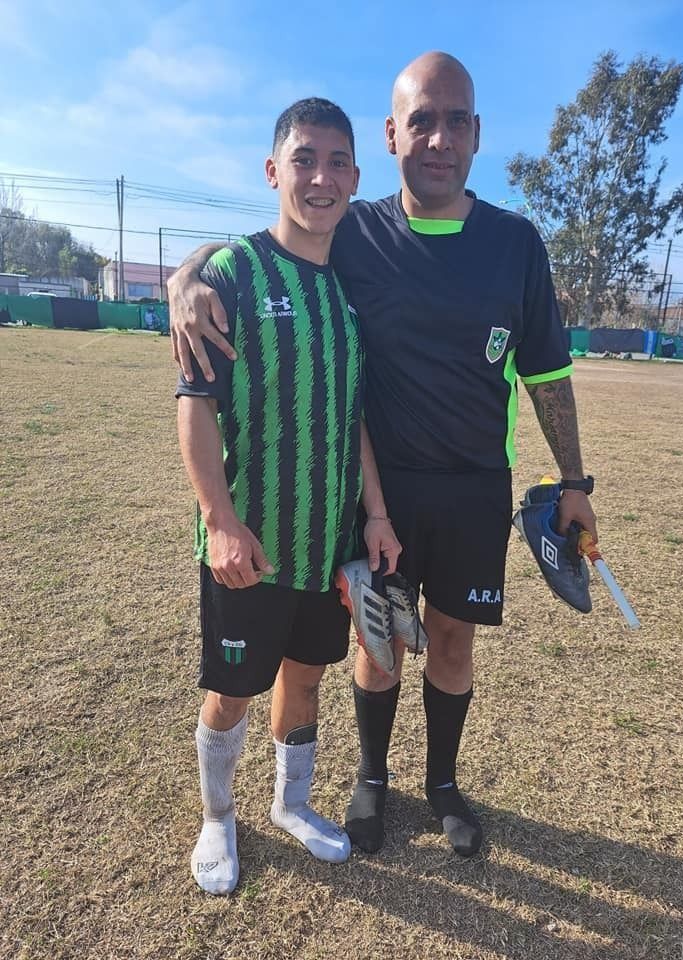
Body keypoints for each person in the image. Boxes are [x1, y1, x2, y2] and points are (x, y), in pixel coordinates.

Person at [168, 52, 597, 860]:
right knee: (378, 641)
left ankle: (442, 785)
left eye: (456, 121)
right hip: (380, 495)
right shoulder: (359, 232)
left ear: (477, 134)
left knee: (451, 642)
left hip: (473, 488)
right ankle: (369, 779)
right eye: (421, 121)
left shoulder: (515, 243)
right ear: (394, 135)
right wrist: (187, 274)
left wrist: (574, 481)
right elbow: (276, 243)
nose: (439, 139)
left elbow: (546, 372)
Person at [175, 97, 401, 895]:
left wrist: (375, 515)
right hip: (251, 544)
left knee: (305, 678)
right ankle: (217, 817)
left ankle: (291, 803)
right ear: (274, 171)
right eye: (304, 159)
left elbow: (356, 417)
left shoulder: (348, 290)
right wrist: (219, 520)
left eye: (337, 162)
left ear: (356, 178)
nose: (321, 177)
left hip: (325, 541)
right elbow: (195, 405)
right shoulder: (233, 274)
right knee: (232, 691)